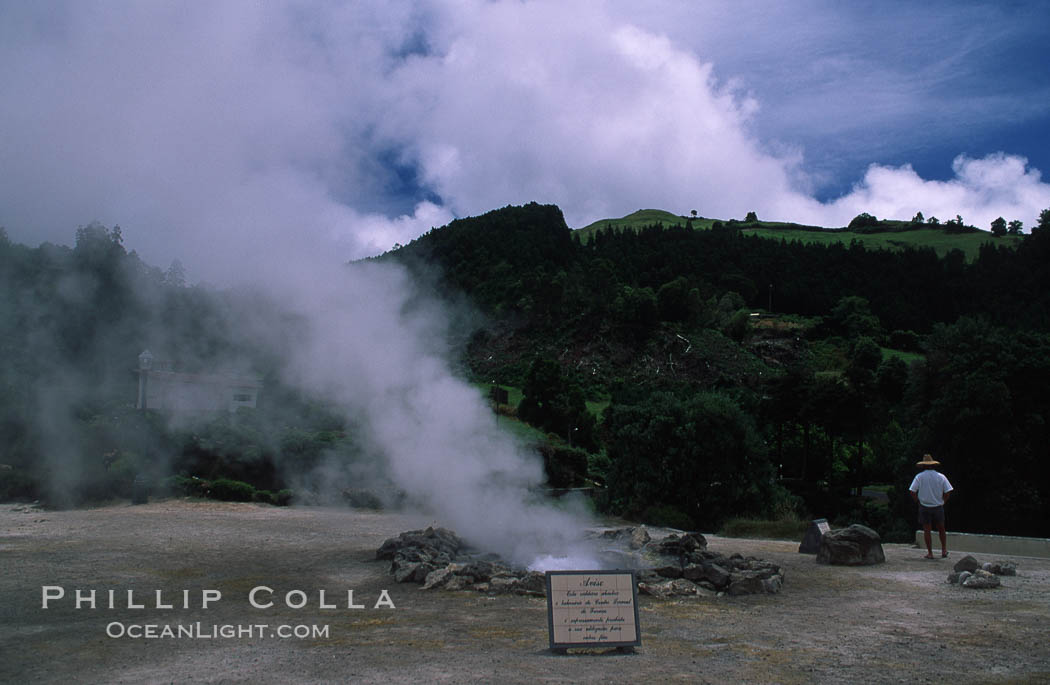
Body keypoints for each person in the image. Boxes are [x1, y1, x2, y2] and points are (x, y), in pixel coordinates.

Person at [909, 454, 953, 559]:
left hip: (924, 506)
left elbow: (912, 491)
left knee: (927, 530)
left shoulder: (919, 477)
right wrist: (943, 501)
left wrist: (917, 501)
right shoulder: (941, 476)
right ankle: (943, 550)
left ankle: (930, 553)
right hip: (938, 506)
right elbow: (948, 491)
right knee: (941, 528)